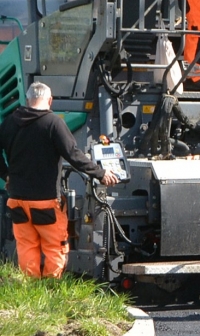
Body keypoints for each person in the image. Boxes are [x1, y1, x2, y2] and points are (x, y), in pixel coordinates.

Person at [0, 83, 121, 278]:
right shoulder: (53, 123)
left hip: (17, 200)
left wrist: (6, 175)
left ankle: (32, 293)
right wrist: (100, 173)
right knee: (54, 247)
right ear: (49, 101)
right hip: (45, 202)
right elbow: (74, 155)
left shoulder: (10, 122)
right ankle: (51, 289)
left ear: (28, 100)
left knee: (26, 246)